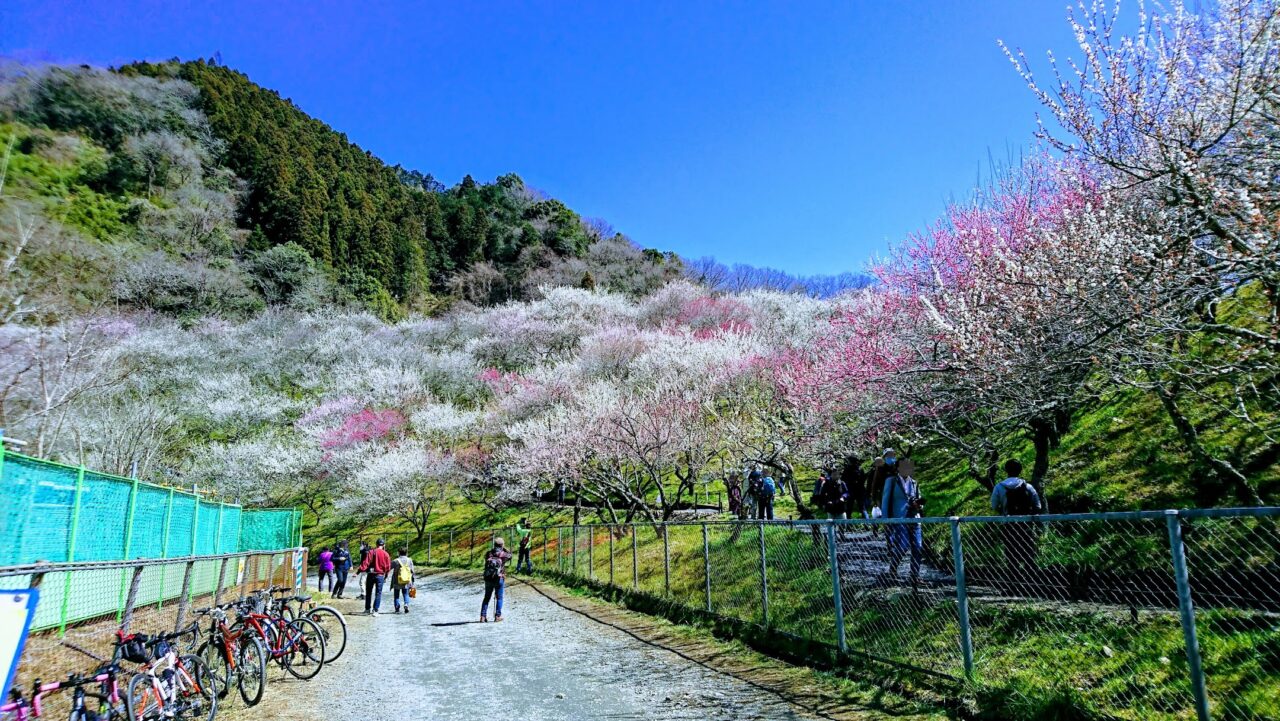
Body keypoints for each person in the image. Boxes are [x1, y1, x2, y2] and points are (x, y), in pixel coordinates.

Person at [991, 459, 1043, 586]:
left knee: (1011, 555)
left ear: (1006, 471)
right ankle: (1031, 583)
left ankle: (1013, 584)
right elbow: (1038, 506)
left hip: (1009, 525)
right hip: (1026, 525)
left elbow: (994, 506)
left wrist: (1003, 510)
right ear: (1020, 470)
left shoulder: (999, 486)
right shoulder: (1028, 486)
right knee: (1029, 554)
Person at [881, 456, 923, 588]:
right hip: (899, 519)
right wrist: (886, 520)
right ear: (898, 468)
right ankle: (893, 568)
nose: (907, 469)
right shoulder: (891, 481)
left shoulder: (914, 483)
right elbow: (885, 501)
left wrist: (919, 505)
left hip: (914, 518)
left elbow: (919, 499)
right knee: (903, 546)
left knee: (918, 546)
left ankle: (914, 575)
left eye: (909, 466)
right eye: (904, 466)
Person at [481, 537, 514, 622]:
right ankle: (497, 616)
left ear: (494, 544)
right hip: (499, 577)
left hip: (488, 578)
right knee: (499, 597)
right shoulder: (503, 554)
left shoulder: (489, 553)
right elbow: (510, 556)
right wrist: (505, 549)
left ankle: (482, 616)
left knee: (486, 597)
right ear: (502, 545)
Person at [359, 538, 392, 615]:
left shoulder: (371, 552)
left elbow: (365, 563)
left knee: (368, 592)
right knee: (378, 593)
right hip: (380, 575)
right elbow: (388, 567)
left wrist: (359, 571)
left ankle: (367, 609)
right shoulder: (386, 554)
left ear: (376, 544)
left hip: (370, 574)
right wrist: (386, 575)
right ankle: (375, 610)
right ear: (383, 545)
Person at [389, 546, 416, 614]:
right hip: (406, 580)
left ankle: (397, 608)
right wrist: (413, 581)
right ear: (406, 553)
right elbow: (412, 571)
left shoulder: (396, 561)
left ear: (398, 553)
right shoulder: (409, 560)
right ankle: (406, 604)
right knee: (405, 594)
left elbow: (388, 567)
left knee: (396, 595)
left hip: (397, 580)